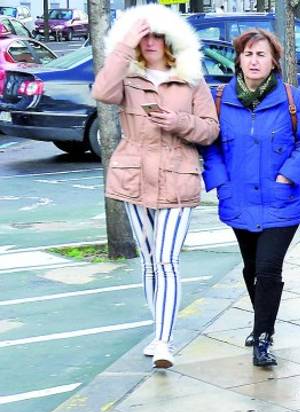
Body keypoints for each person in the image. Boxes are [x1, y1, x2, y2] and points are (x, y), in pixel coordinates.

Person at [92, 4, 220, 369]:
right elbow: (102, 91)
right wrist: (122, 44)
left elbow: (210, 130)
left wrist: (177, 121)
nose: (148, 41)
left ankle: (165, 341)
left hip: (178, 179)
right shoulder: (127, 79)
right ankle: (158, 331)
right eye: (141, 35)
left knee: (166, 259)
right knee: (150, 261)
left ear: (170, 40)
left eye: (155, 34)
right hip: (133, 177)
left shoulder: (191, 80)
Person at [200, 29, 300, 367]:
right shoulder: (220, 98)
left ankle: (264, 338)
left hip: (281, 199)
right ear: (238, 58)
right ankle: (262, 322)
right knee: (251, 267)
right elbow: (209, 146)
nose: (254, 61)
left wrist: (288, 176)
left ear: (273, 62)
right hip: (238, 198)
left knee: (268, 267)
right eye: (249, 54)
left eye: (262, 55)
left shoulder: (291, 98)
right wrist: (221, 184)